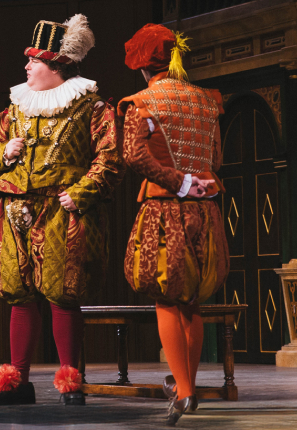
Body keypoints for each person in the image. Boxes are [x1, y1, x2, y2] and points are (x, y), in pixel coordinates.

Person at [0, 14, 123, 406]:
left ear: (56, 66)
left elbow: (110, 160)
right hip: (14, 210)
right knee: (18, 292)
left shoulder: (90, 107)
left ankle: (70, 382)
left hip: (63, 211)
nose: (27, 67)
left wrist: (81, 192)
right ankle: (16, 383)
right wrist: (1, 152)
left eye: (35, 61)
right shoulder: (14, 110)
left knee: (62, 293)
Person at [119, 24, 229, 426]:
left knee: (166, 296)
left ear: (143, 66)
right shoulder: (205, 101)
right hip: (205, 210)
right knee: (192, 300)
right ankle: (189, 386)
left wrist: (177, 181)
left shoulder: (143, 103)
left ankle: (183, 393)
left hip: (166, 209)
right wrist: (196, 179)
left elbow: (132, 156)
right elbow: (215, 158)